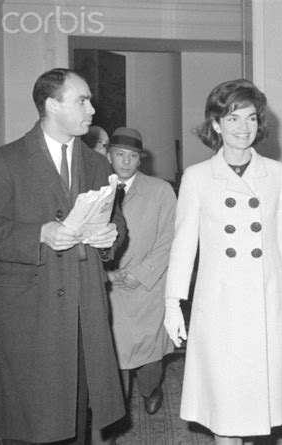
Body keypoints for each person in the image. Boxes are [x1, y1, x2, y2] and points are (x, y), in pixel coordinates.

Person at [163, 79, 282, 444]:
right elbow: (184, 245)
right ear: (216, 124)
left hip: (267, 300)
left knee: (259, 406)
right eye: (232, 119)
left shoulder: (276, 174)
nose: (243, 128)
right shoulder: (197, 178)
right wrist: (172, 303)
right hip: (219, 306)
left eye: (250, 119)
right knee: (225, 409)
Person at [0, 68, 126, 444]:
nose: (92, 109)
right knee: (29, 422)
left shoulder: (98, 164)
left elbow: (116, 220)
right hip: (29, 314)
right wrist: (39, 232)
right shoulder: (6, 161)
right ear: (52, 105)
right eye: (81, 100)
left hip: (84, 311)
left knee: (78, 420)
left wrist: (111, 235)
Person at [106, 127, 176, 416]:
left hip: (148, 284)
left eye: (132, 156)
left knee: (149, 353)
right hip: (110, 286)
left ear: (140, 159)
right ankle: (115, 406)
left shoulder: (160, 190)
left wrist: (142, 273)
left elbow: (170, 239)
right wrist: (106, 274)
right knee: (115, 351)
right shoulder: (95, 189)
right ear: (109, 155)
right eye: (120, 154)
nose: (125, 162)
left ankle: (151, 387)